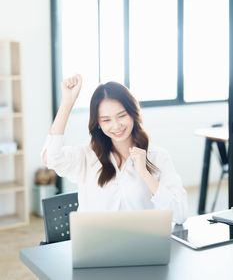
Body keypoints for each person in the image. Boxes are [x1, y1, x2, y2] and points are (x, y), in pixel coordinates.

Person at [42, 74, 188, 224]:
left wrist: (144, 173)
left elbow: (180, 214)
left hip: (142, 246)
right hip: (96, 246)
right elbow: (52, 157)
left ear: (133, 113)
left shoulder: (158, 156)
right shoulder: (87, 156)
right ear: (98, 123)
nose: (116, 126)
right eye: (106, 120)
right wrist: (67, 102)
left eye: (122, 115)